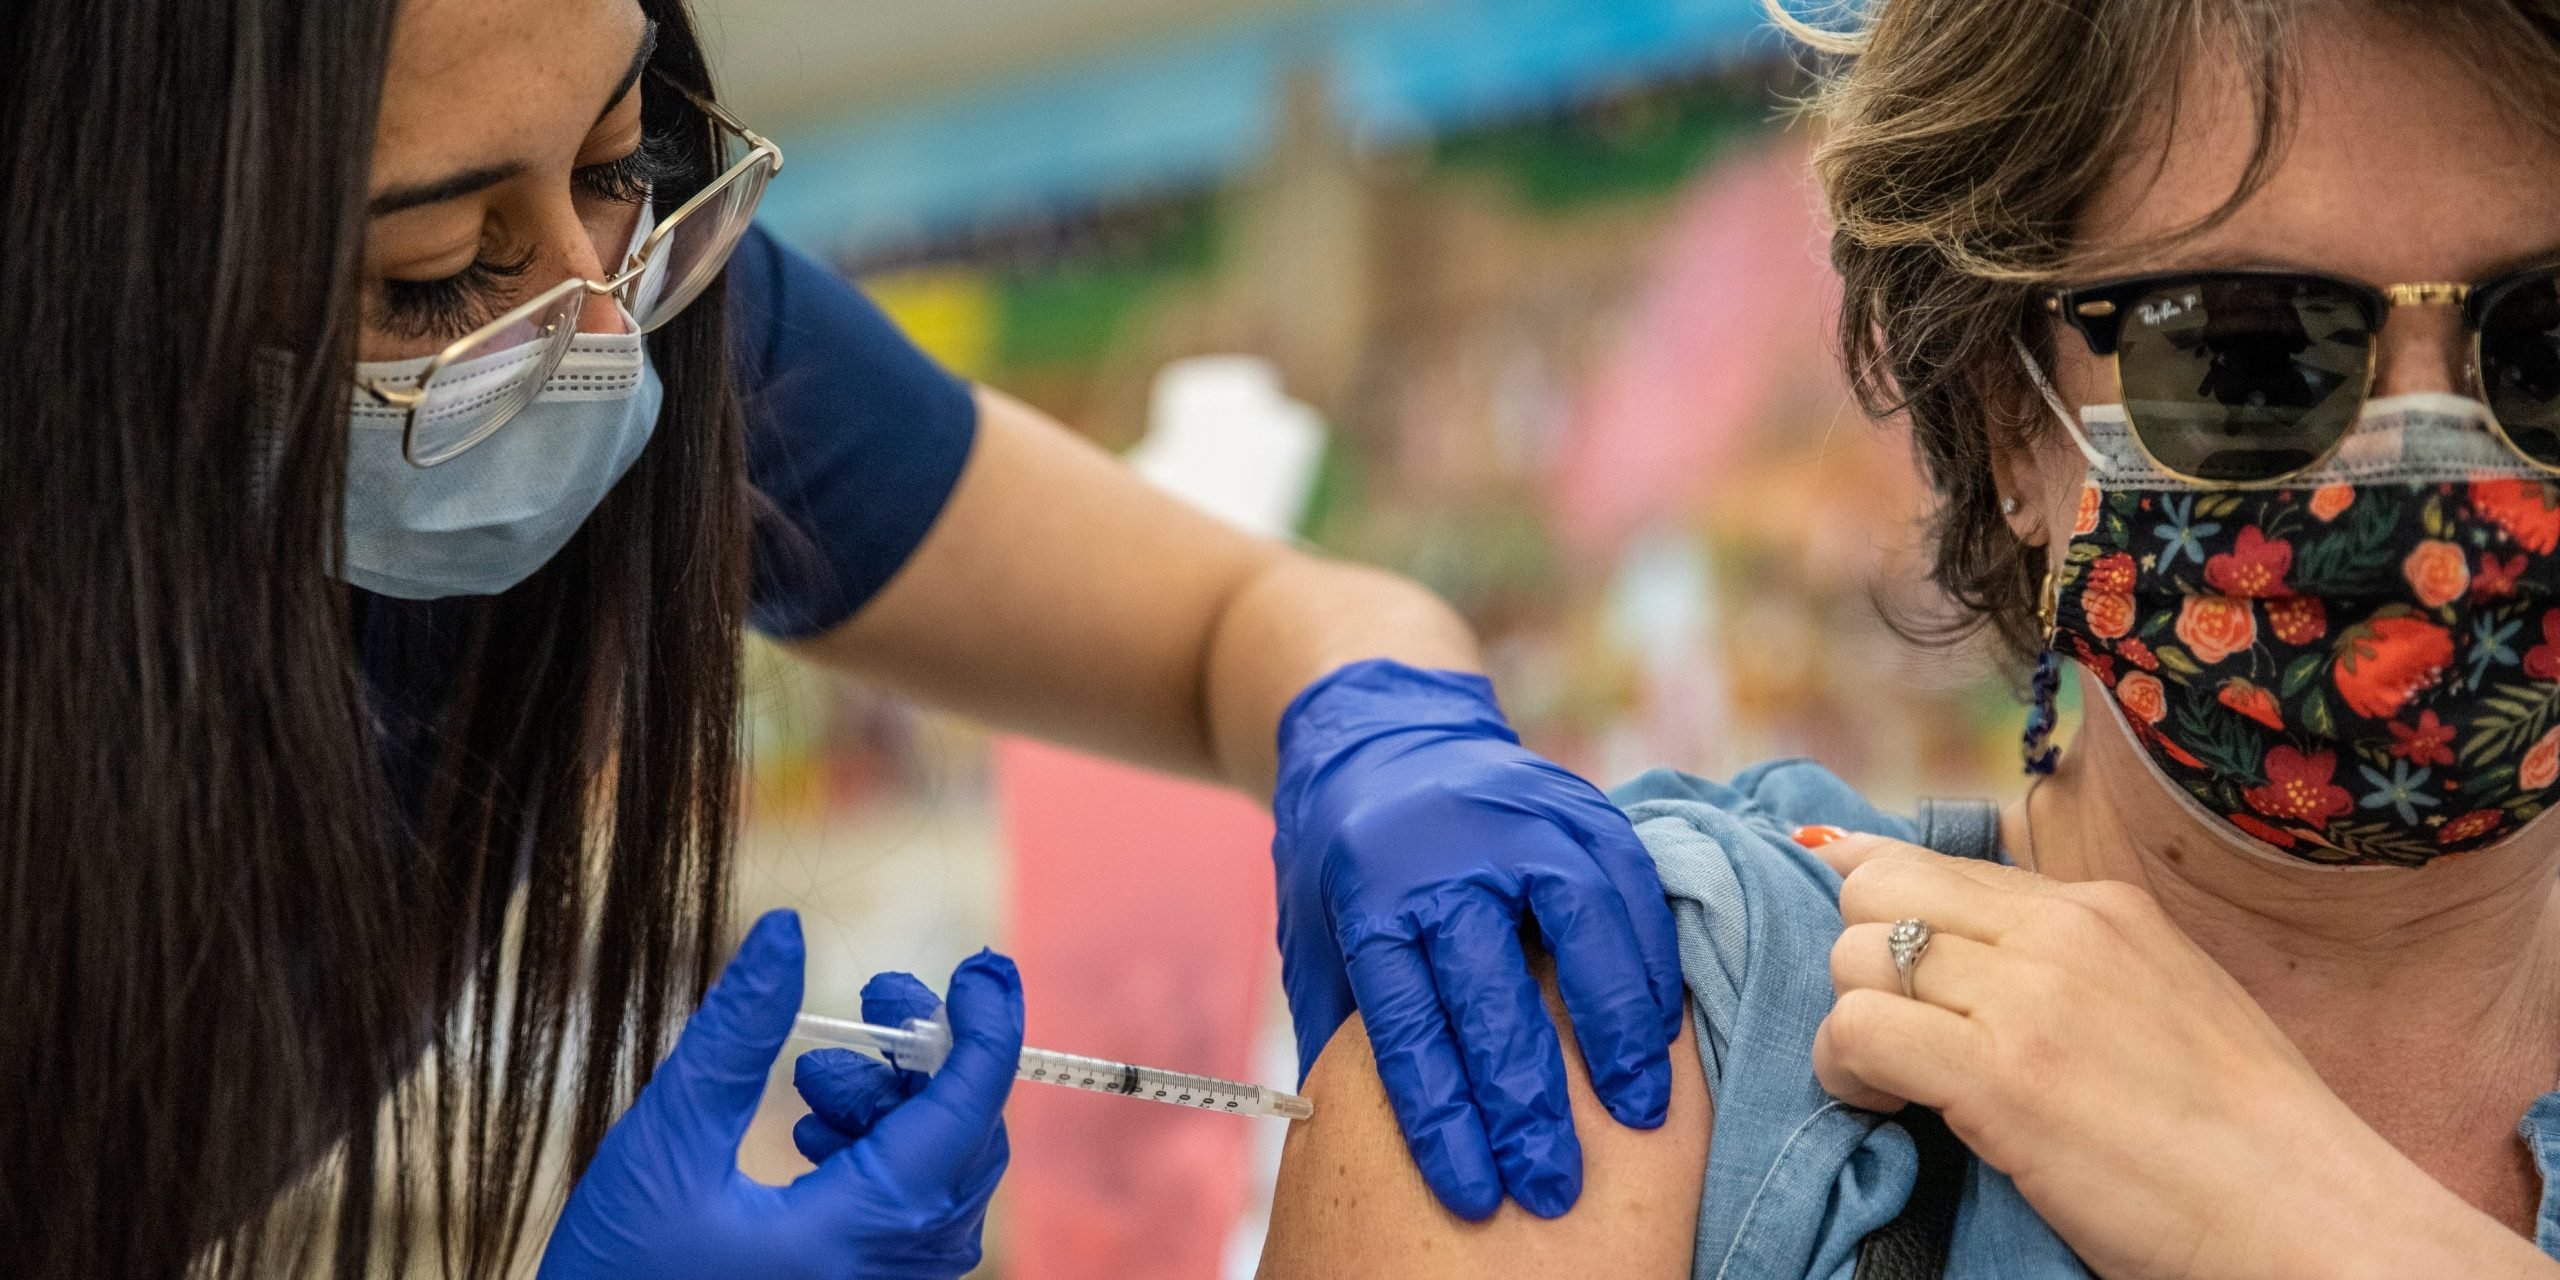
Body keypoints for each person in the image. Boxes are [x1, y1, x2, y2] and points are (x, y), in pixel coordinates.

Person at [0, 0, 1685, 1274]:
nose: (600, 335)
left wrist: (1381, 724)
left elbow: (1250, 608)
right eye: (438, 272)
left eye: (618, 161)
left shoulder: (646, 302)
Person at [1255, 1, 2560, 1276]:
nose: (2441, 474)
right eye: (2249, 357)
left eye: (2548, 348)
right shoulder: (1635, 1034)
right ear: (2010, 418)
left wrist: (2317, 1218)